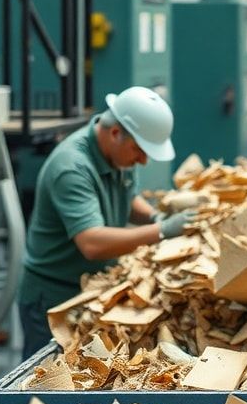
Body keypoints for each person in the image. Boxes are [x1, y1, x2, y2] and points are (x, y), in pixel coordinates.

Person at [17, 87, 195, 359]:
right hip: (55, 299)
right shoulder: (72, 167)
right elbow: (91, 242)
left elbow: (127, 196)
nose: (143, 160)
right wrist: (161, 231)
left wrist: (153, 217)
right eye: (139, 150)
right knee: (45, 384)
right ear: (115, 133)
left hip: (93, 291)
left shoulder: (118, 153)